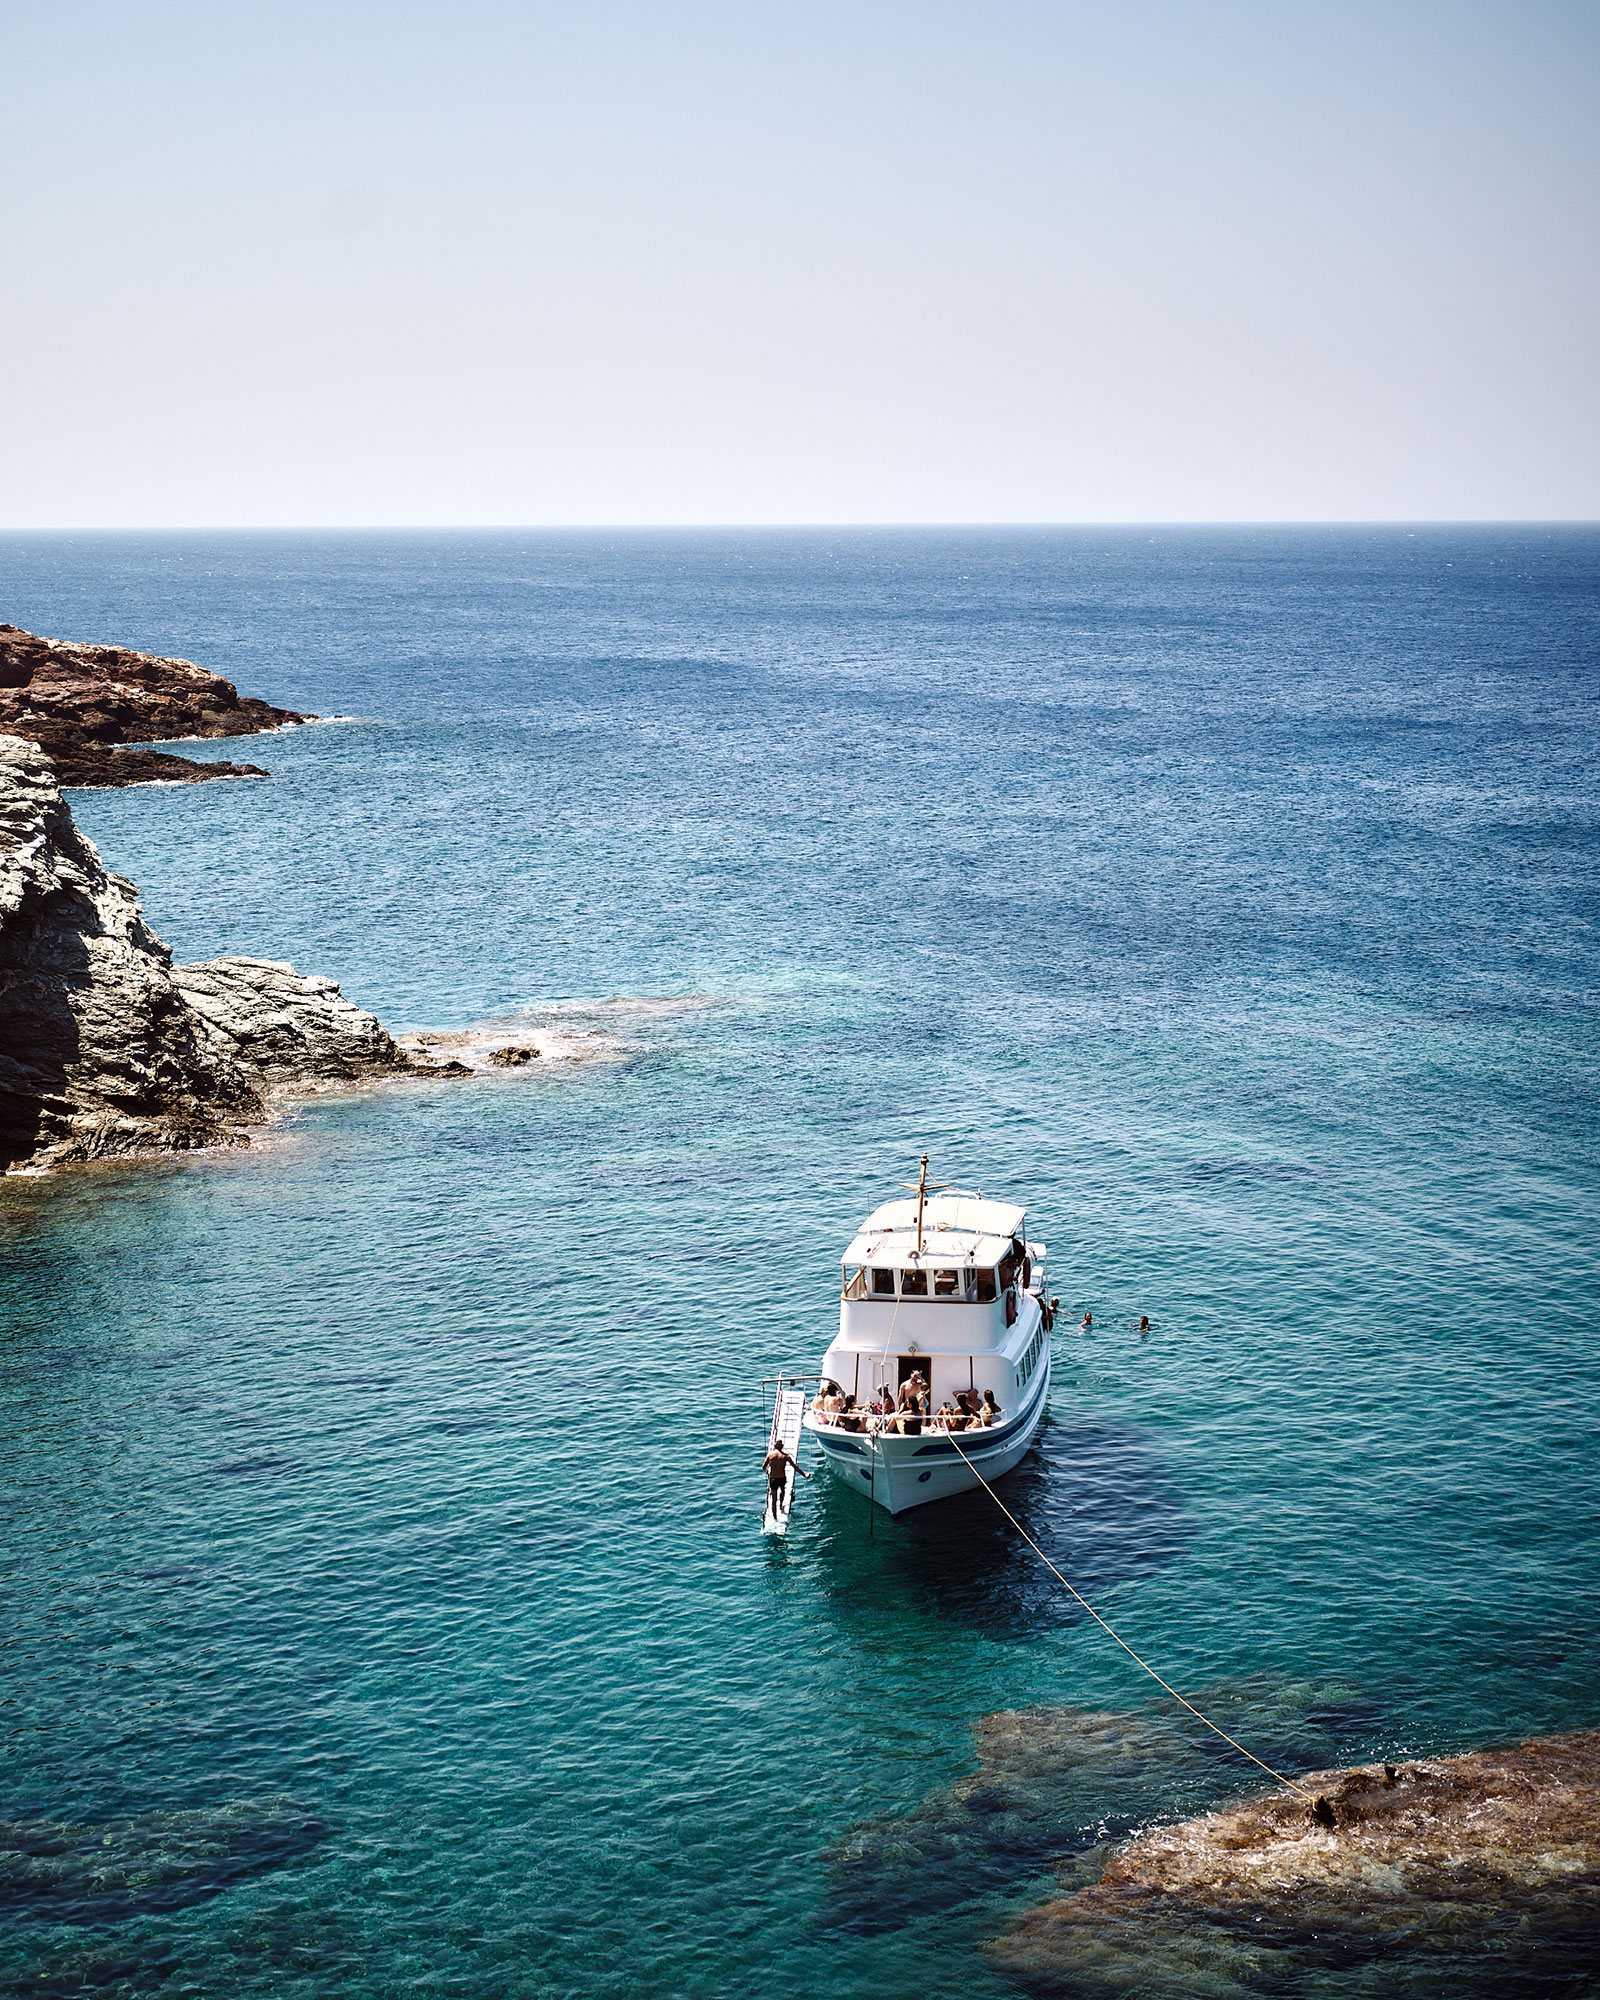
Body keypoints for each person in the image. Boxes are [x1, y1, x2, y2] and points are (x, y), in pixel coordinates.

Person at [763, 1441, 809, 1515]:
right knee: (782, 1490)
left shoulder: (770, 1455)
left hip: (773, 1478)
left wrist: (767, 1472)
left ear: (775, 1446)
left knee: (774, 1500)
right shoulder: (785, 1456)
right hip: (782, 1477)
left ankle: (775, 1517)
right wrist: (805, 1475)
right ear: (782, 1446)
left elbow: (763, 1466)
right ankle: (781, 1506)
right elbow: (795, 1467)